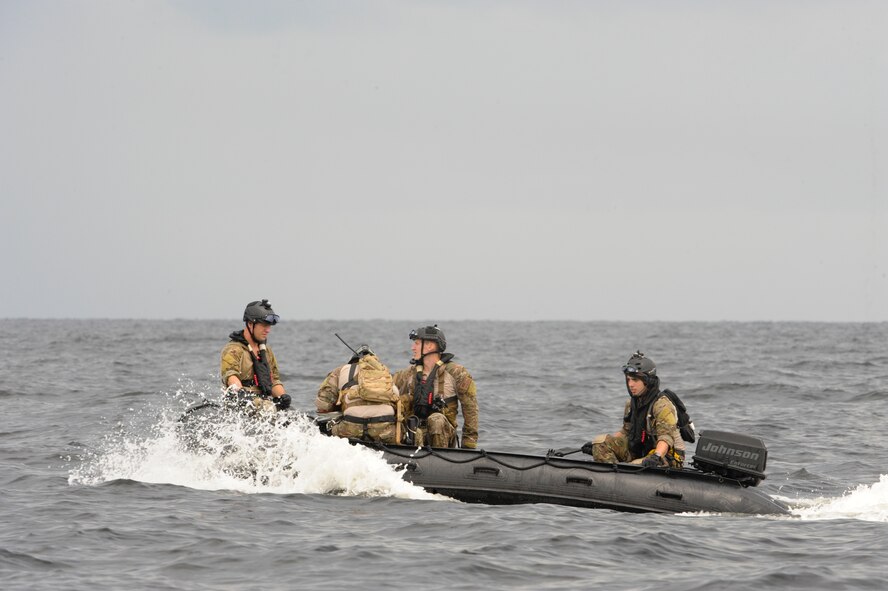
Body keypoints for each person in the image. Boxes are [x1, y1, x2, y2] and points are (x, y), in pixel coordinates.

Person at [581, 351, 685, 468]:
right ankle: (612, 478)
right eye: (629, 379)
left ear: (647, 382)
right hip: (640, 450)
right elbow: (626, 431)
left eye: (635, 380)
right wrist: (597, 446)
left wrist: (656, 456)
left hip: (666, 455)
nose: (630, 384)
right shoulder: (632, 403)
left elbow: (666, 439)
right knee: (600, 442)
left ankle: (623, 478)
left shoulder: (662, 405)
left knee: (633, 466)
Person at [393, 325, 479, 449]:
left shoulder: (456, 373)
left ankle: (439, 460)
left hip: (443, 434)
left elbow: (470, 409)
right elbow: (386, 389)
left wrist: (468, 446)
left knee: (436, 419)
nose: (413, 348)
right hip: (414, 433)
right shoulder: (407, 374)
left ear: (430, 346)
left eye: (417, 343)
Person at [315, 345, 401, 444]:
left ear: (352, 360)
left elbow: (323, 406)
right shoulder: (385, 374)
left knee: (326, 429)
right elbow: (397, 402)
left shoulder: (341, 370)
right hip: (384, 431)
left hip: (349, 430)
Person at [220, 299, 291, 412]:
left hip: (263, 401)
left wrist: (283, 397)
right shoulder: (233, 350)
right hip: (241, 402)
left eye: (269, 326)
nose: (268, 330)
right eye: (264, 325)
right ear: (250, 324)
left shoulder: (267, 352)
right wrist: (240, 392)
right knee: (267, 409)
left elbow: (274, 381)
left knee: (292, 414)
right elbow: (230, 376)